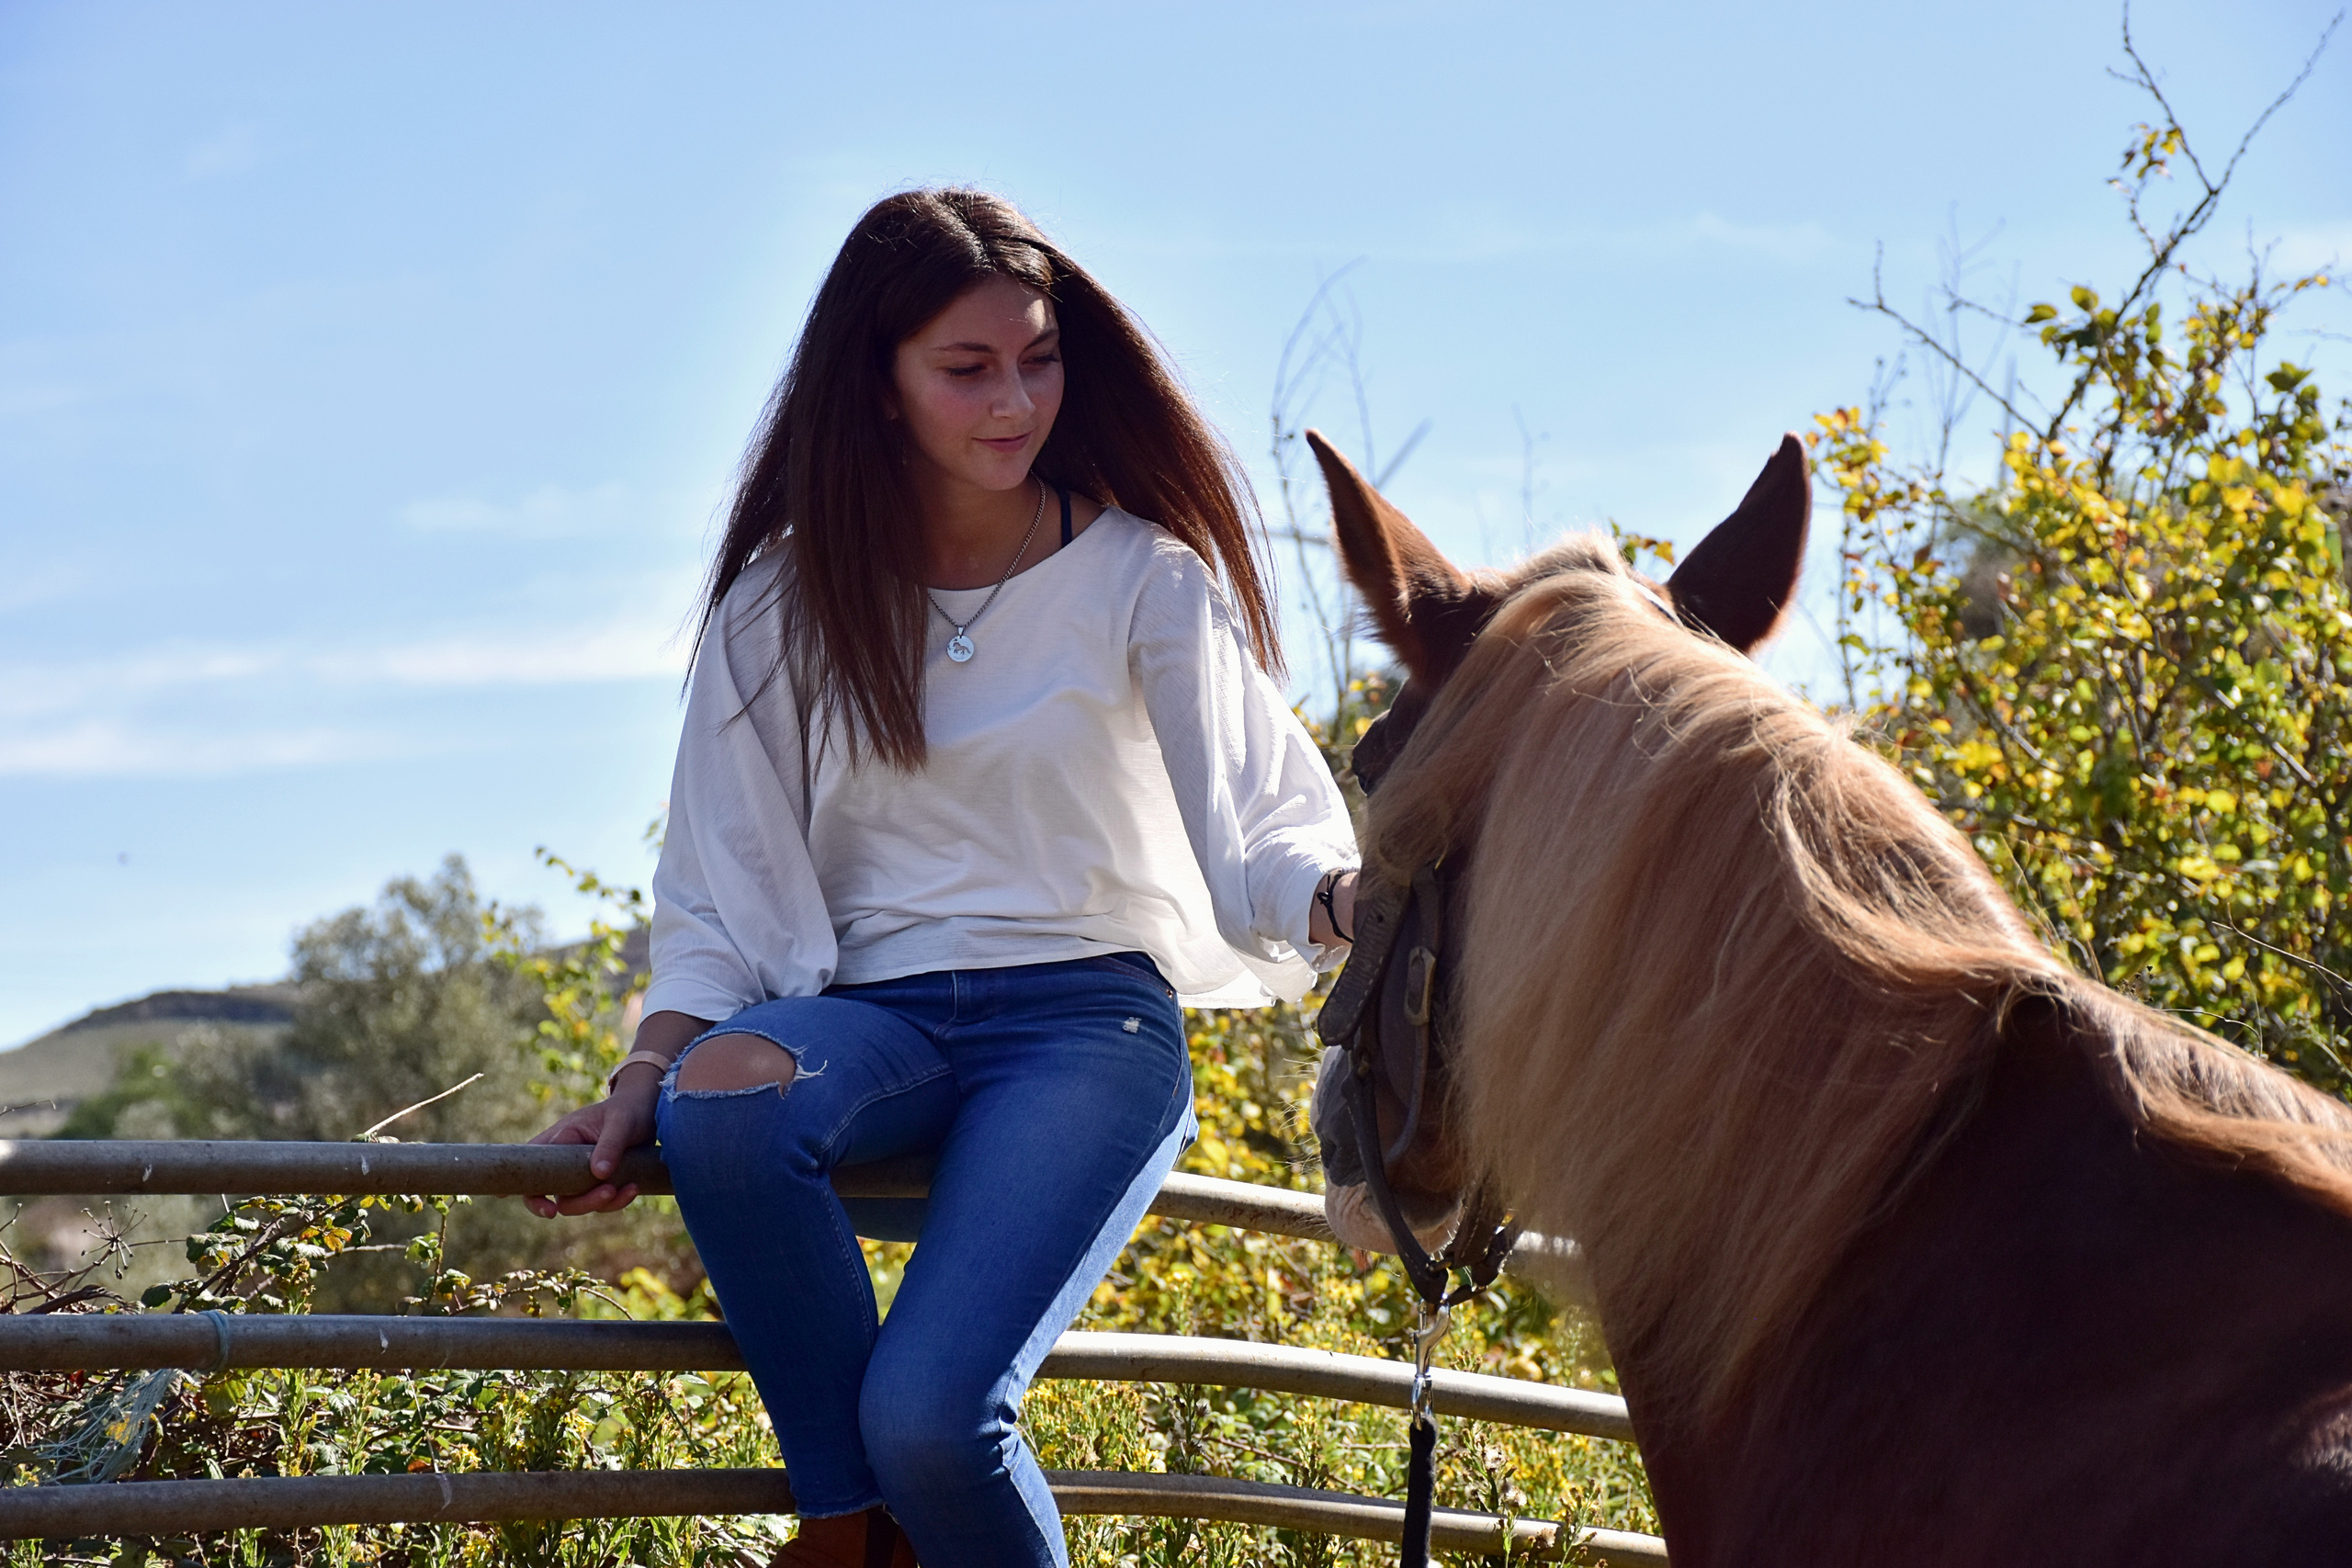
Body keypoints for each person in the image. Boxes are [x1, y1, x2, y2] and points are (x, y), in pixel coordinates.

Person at [525, 188, 1360, 1568]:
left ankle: (879, 1502)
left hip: (1084, 1023)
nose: (1013, 401)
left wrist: (1342, 901)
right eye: (965, 369)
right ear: (880, 385)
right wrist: (636, 1082)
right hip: (874, 1020)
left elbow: (1259, 820)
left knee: (937, 1419)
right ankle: (854, 1531)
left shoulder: (1145, 578)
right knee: (717, 1098)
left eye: (1036, 360)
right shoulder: (779, 609)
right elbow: (716, 903)